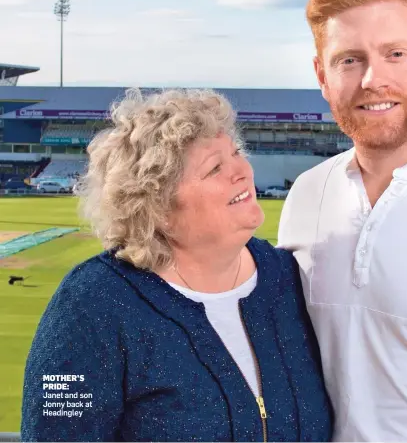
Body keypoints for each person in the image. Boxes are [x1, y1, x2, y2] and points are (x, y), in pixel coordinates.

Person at [21, 89, 333, 442]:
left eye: (236, 153)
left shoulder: (288, 278)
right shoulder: (91, 305)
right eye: (215, 168)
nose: (243, 171)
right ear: (158, 208)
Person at [278, 0, 407, 441]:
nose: (372, 79)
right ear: (321, 75)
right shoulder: (308, 194)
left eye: (396, 53)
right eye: (349, 59)